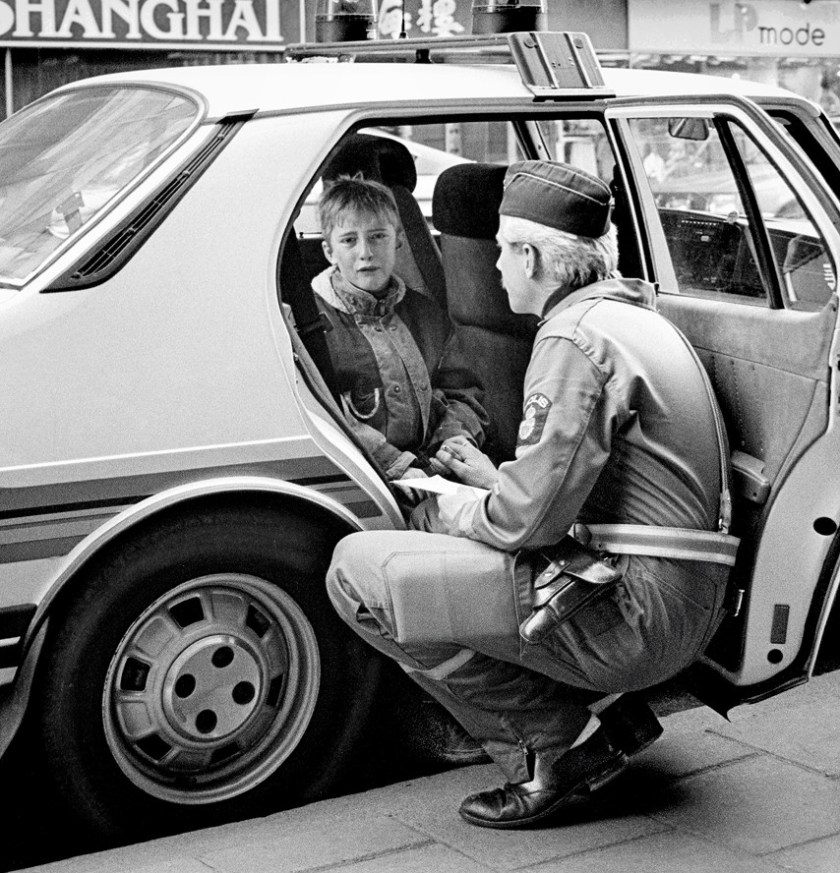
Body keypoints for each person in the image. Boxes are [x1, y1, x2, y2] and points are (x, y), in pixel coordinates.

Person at [326, 160, 738, 829]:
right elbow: (581, 485)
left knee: (355, 573)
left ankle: (557, 748)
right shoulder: (622, 316)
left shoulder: (572, 340)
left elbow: (525, 525)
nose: (493, 272)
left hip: (637, 613)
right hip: (675, 593)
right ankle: (603, 712)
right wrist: (489, 484)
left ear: (529, 255)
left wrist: (445, 502)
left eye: (500, 256)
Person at [313, 174, 487, 480]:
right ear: (329, 251)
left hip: (436, 471)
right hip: (364, 477)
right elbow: (322, 414)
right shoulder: (313, 326)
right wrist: (395, 465)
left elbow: (463, 392)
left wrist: (453, 444)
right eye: (349, 240)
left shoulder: (426, 314)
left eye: (378, 236)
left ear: (399, 242)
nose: (365, 251)